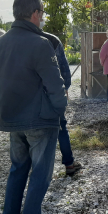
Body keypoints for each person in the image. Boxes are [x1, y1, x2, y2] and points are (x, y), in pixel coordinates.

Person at [0, 0, 67, 214]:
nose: (42, 18)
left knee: (17, 169)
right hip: (39, 120)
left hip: (12, 118)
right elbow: (55, 85)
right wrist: (60, 108)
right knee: (40, 175)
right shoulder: (40, 43)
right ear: (35, 13)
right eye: (41, 13)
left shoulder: (0, 42)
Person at [39, 30, 83, 176]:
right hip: (52, 94)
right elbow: (64, 70)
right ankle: (69, 164)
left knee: (34, 132)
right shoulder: (52, 39)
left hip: (28, 96)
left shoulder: (14, 39)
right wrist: (64, 89)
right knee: (60, 128)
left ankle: (38, 170)